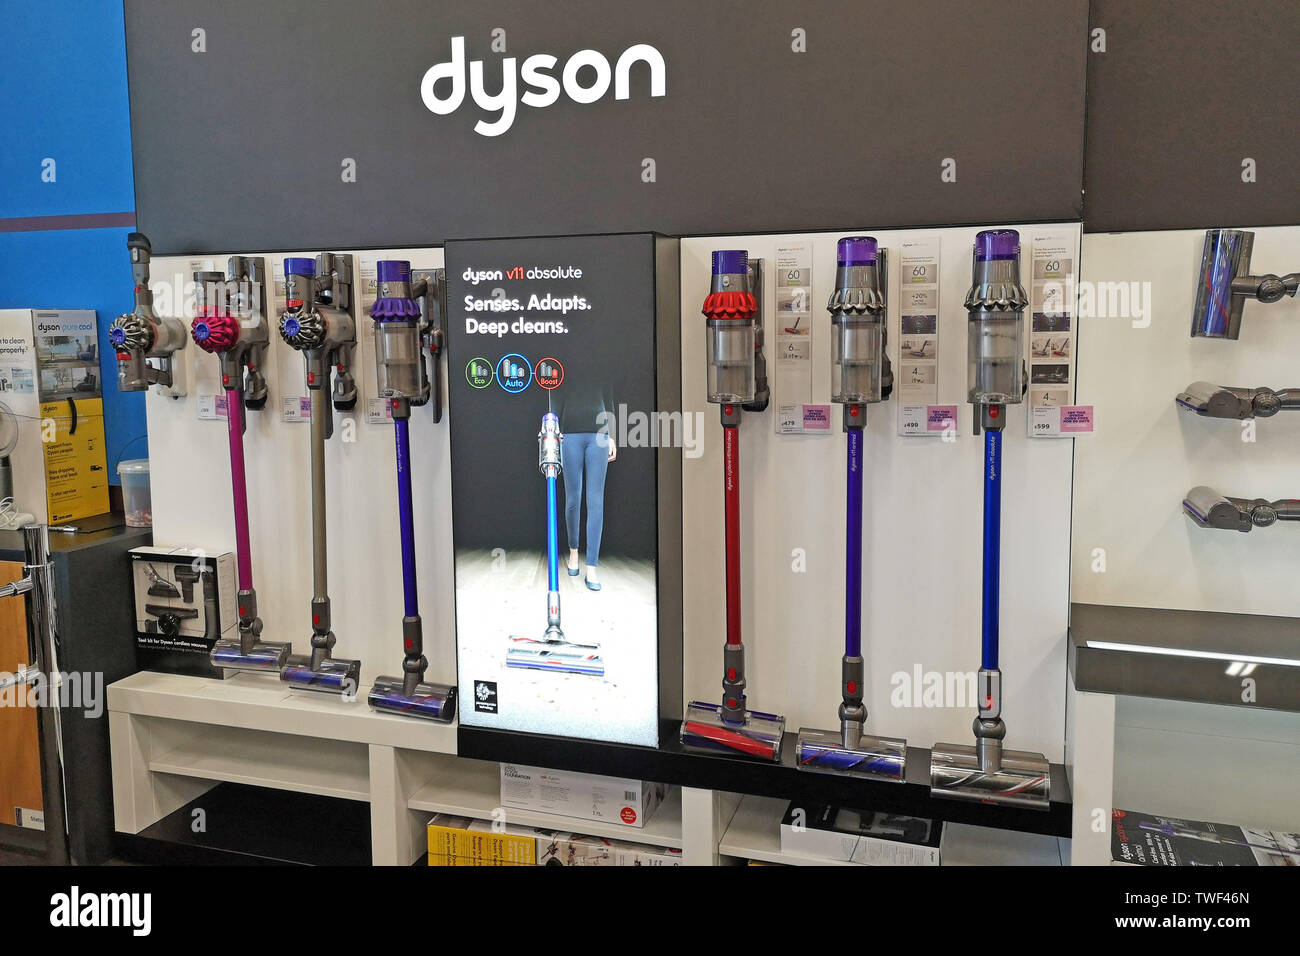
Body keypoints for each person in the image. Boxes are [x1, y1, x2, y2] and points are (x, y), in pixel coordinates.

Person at [559, 383, 616, 591]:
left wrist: (612, 436)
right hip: (569, 433)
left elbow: (608, 399)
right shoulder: (564, 359)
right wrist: (554, 431)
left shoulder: (602, 361)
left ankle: (592, 566)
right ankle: (574, 553)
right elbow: (555, 395)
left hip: (599, 434)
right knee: (573, 498)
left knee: (595, 501)